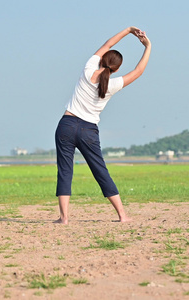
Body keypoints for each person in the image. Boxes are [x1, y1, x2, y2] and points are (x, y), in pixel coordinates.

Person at [54, 26, 151, 224]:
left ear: (102, 59)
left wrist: (128, 30)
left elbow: (108, 44)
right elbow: (139, 71)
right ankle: (122, 215)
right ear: (116, 69)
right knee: (100, 170)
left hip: (67, 124)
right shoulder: (112, 84)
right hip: (88, 130)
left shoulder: (88, 69)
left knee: (65, 170)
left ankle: (64, 218)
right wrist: (147, 45)